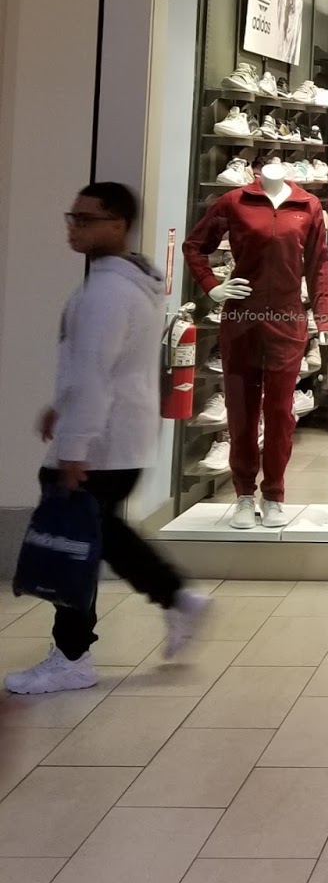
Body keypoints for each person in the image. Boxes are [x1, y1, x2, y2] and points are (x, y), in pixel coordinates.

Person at [6, 182, 209, 696]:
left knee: (72, 545)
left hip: (100, 443)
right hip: (117, 437)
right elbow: (101, 369)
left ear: (117, 224)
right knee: (101, 539)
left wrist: (74, 447)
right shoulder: (125, 284)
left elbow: (95, 376)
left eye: (85, 219)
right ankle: (176, 599)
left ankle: (73, 657)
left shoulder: (106, 293)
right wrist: (63, 405)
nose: (73, 227)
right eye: (72, 216)